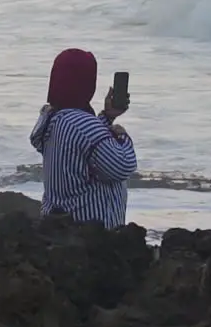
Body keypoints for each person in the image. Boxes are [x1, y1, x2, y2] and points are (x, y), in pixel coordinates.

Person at [28, 48, 136, 228]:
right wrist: (123, 137)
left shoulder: (53, 118)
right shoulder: (83, 124)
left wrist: (106, 117)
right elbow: (121, 166)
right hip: (90, 234)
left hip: (58, 228)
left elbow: (83, 146)